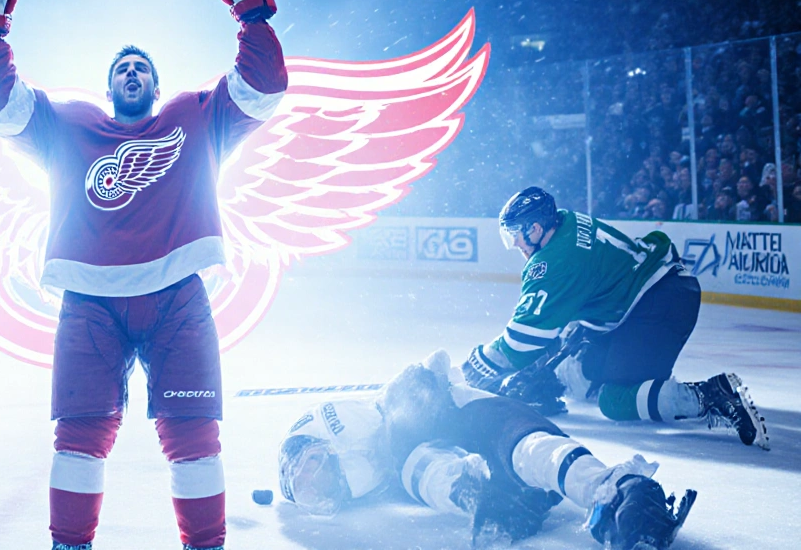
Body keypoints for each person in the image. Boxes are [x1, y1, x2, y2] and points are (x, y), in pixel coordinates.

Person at [0, 0, 287, 550]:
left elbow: (262, 90)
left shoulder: (193, 116)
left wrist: (253, 16)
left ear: (156, 86)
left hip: (178, 299)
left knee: (194, 437)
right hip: (91, 304)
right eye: (121, 68)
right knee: (80, 436)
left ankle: (205, 545)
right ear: (108, 85)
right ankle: (71, 545)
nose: (131, 72)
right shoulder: (69, 125)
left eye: (141, 67)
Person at [278, 352, 696, 550]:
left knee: (526, 447)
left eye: (315, 470)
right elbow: (423, 474)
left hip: (475, 420)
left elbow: (434, 377)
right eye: (316, 490)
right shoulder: (395, 470)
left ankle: (615, 485)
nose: (322, 485)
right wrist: (476, 498)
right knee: (434, 469)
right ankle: (485, 496)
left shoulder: (390, 414)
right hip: (470, 459)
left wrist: (428, 385)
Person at [461, 187, 768, 449]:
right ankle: (640, 378)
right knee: (587, 368)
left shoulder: (555, 262)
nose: (514, 243)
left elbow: (523, 341)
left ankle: (711, 396)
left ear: (536, 228)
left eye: (516, 234)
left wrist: (481, 363)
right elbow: (585, 291)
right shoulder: (566, 221)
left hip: (659, 305)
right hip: (655, 291)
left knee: (615, 400)